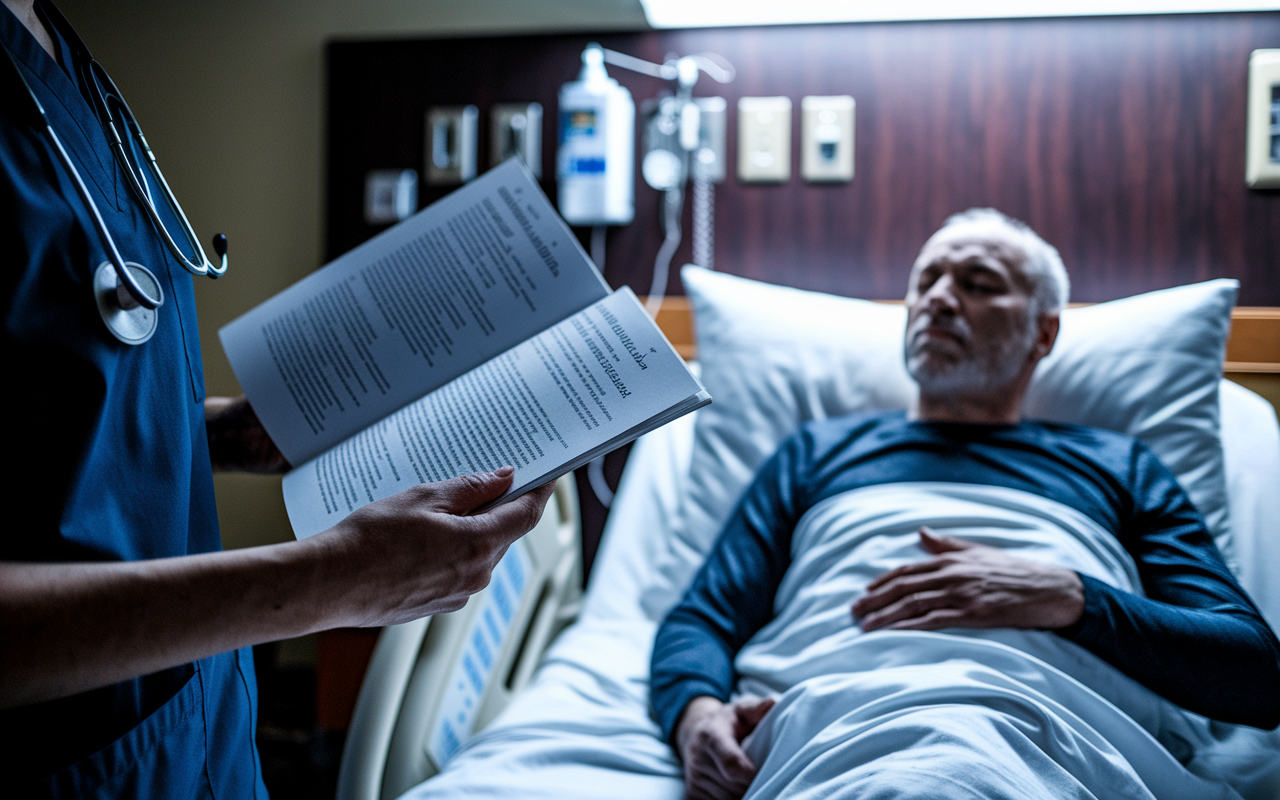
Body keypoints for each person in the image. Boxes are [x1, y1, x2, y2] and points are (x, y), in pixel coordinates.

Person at [0, 1, 554, 796]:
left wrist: (222, 434)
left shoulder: (59, 55)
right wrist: (329, 581)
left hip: (192, 731)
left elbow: (49, 421)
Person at [650, 208, 1280, 800]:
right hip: (831, 725)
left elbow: (1253, 671)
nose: (939, 298)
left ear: (1044, 331)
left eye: (979, 284)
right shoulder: (816, 452)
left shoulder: (1118, 466)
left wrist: (1073, 598)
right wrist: (697, 712)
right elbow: (701, 618)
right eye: (927, 280)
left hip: (1053, 738)